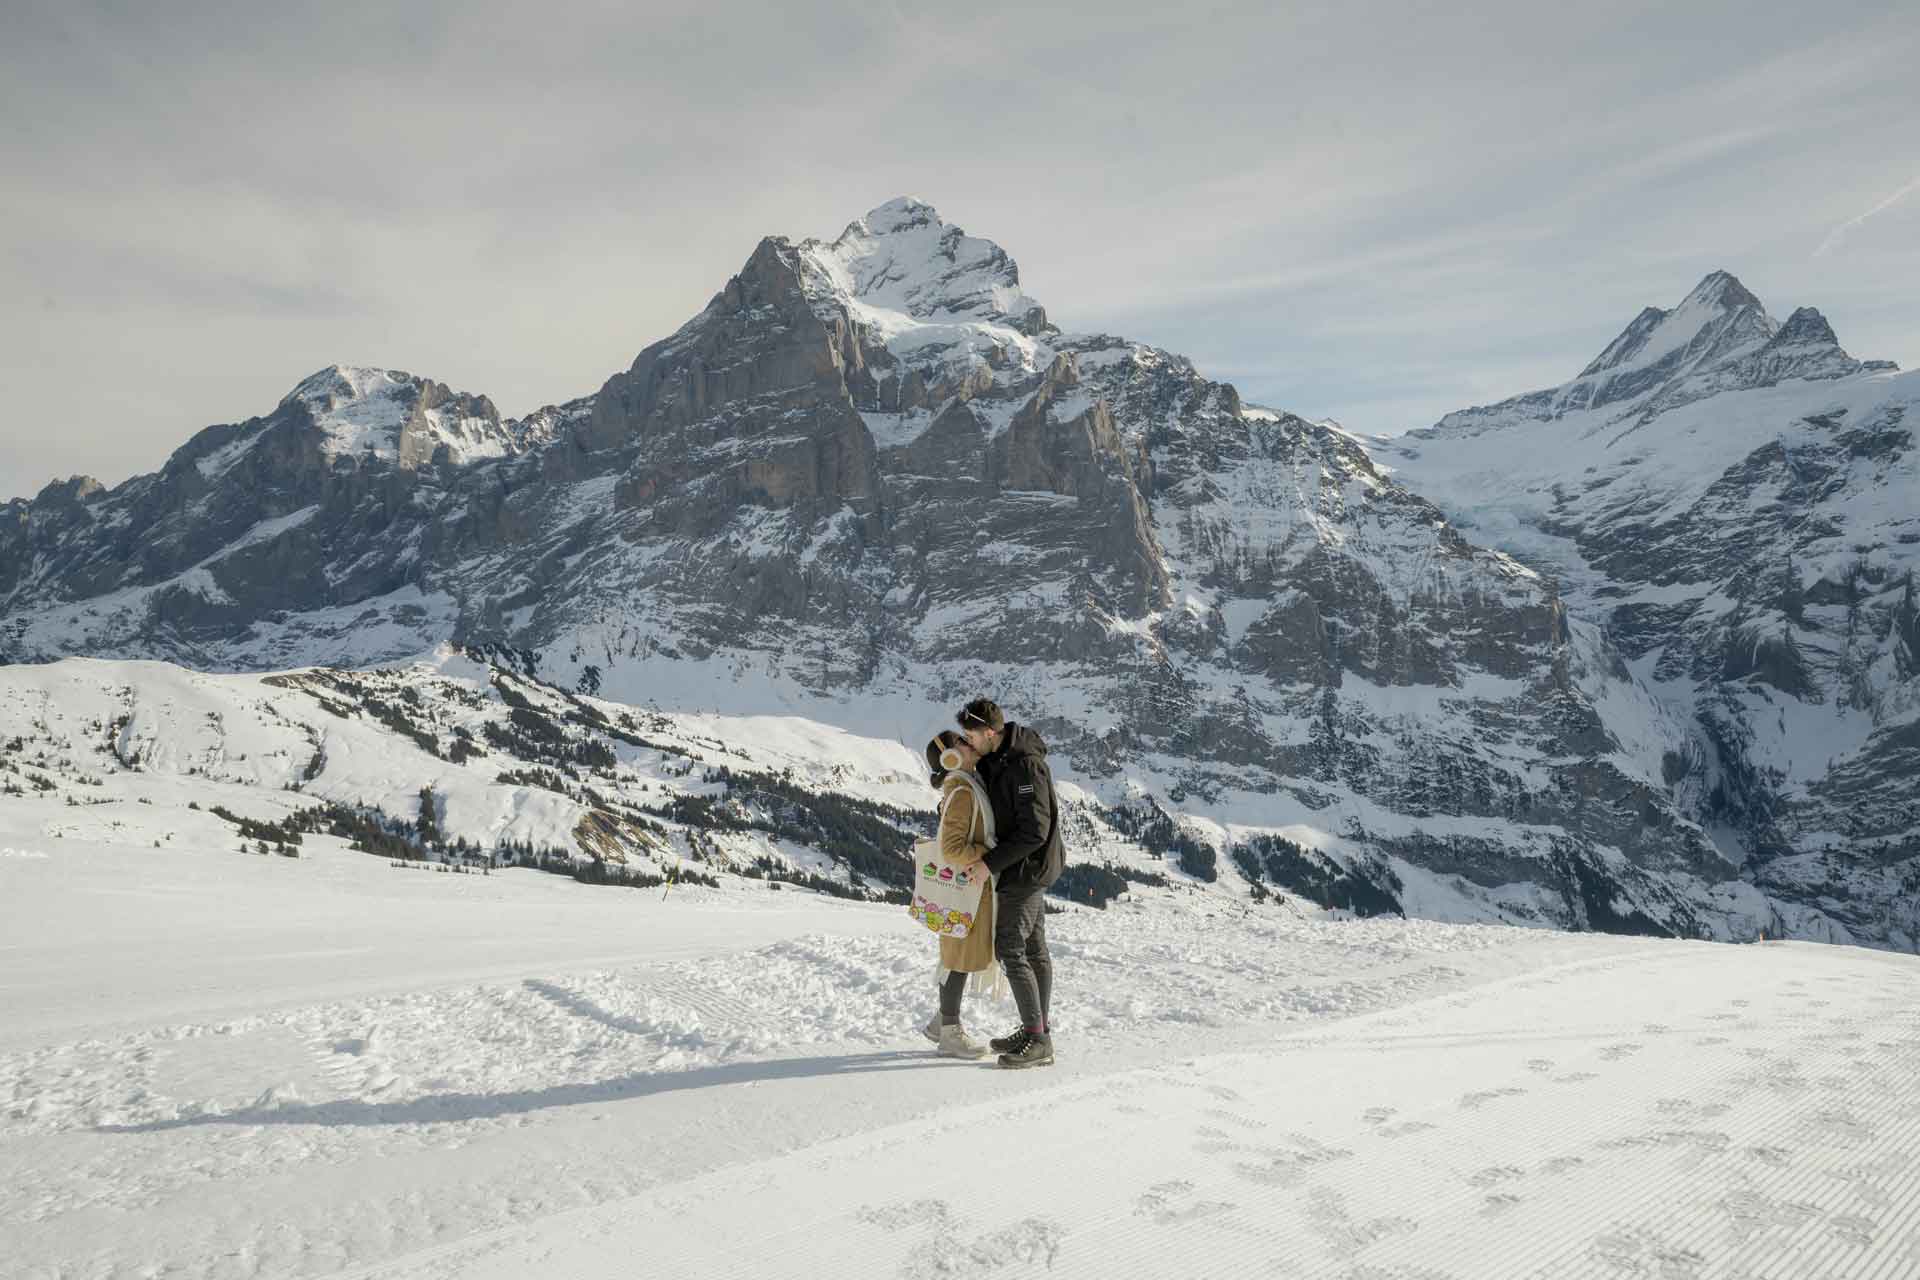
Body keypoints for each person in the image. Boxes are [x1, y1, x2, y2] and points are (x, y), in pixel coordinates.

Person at [956, 697, 1065, 1069]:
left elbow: (1035, 831)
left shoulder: (1026, 766)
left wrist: (988, 865)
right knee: (1034, 949)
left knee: (1010, 947)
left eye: (971, 735)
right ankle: (1037, 1029)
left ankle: (1038, 1039)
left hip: (1027, 868)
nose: (968, 742)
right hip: (1021, 867)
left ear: (990, 732)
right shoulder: (997, 759)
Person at [920, 730, 1000, 1059]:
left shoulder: (969, 785)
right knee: (958, 957)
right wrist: (991, 852)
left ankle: (942, 1021)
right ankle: (950, 1031)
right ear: (949, 758)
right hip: (969, 887)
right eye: (961, 744)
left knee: (957, 954)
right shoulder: (963, 791)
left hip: (971, 886)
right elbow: (952, 848)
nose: (970, 744)